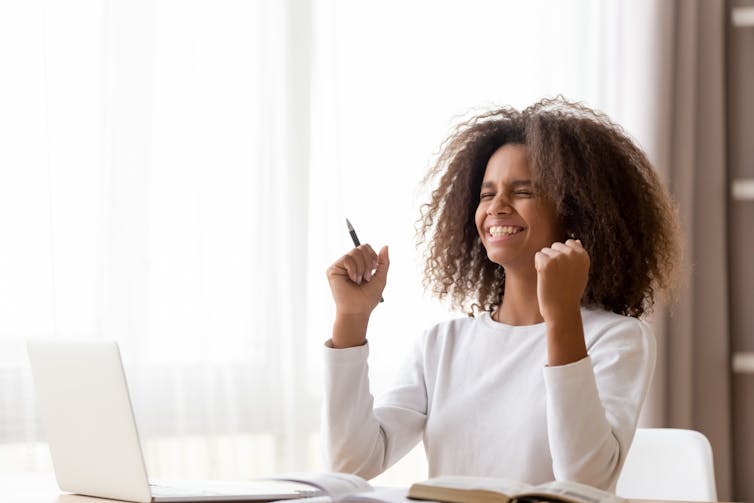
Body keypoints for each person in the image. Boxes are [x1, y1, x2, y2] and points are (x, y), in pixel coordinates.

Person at [322, 97, 682, 491]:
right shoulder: (441, 346)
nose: (497, 207)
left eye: (523, 191)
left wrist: (562, 316)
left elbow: (585, 481)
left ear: (577, 211)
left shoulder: (617, 338)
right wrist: (351, 319)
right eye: (486, 194)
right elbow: (351, 462)